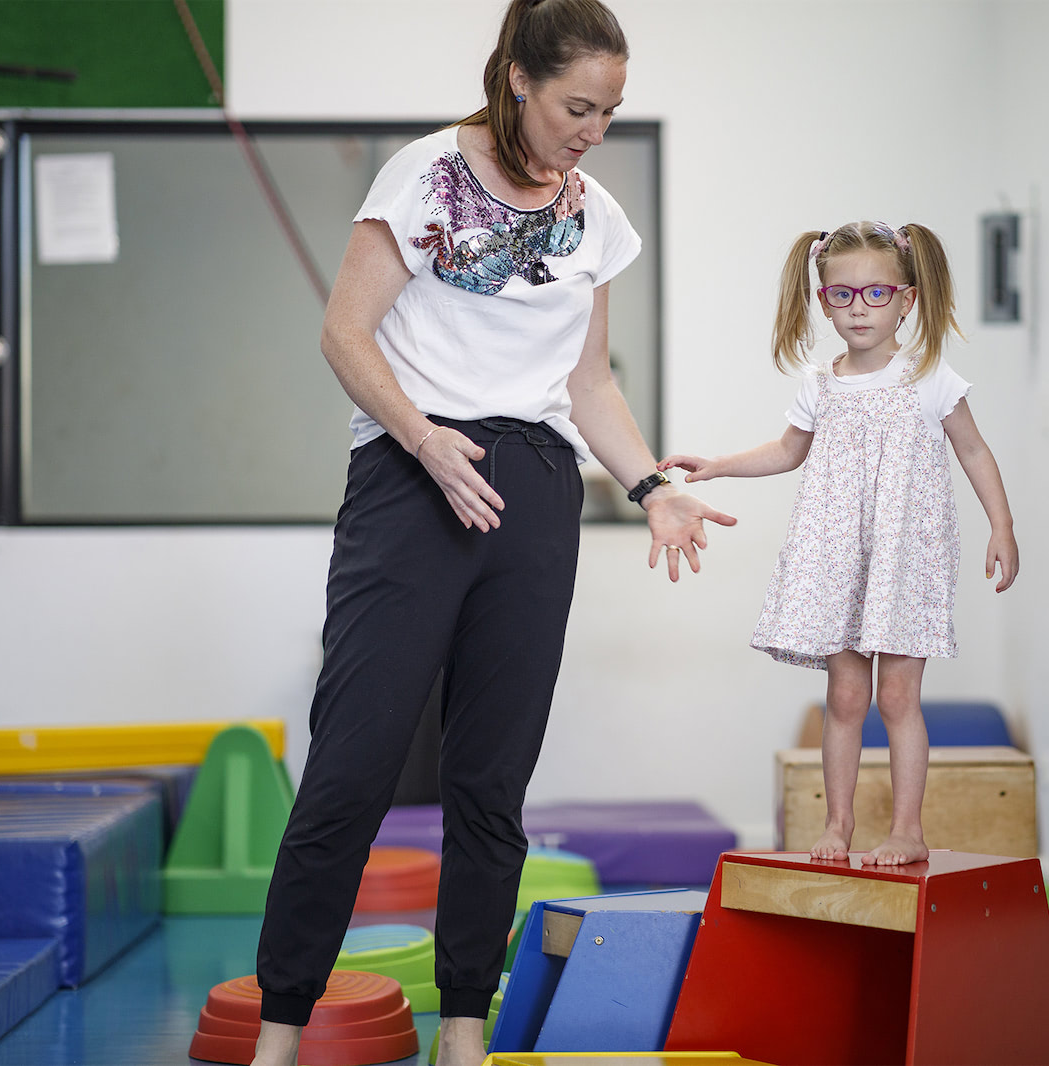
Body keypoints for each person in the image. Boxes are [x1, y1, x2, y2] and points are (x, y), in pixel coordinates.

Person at [248, 3, 734, 1064]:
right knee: (354, 765)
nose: (592, 129)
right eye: (576, 106)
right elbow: (343, 329)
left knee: (491, 779)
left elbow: (588, 380)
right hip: (413, 476)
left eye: (609, 111)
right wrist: (422, 440)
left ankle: (463, 1025)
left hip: (536, 486)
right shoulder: (424, 173)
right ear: (517, 78)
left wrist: (650, 483)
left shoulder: (594, 213)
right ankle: (279, 1030)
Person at [659, 221, 1018, 867]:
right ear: (823, 301)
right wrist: (719, 465)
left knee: (898, 697)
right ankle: (838, 824)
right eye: (843, 295)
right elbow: (787, 451)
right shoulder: (820, 383)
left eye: (877, 294)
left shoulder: (930, 374)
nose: (859, 308)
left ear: (907, 298)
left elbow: (973, 449)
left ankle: (908, 829)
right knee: (846, 697)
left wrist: (1003, 525)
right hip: (837, 555)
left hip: (905, 554)